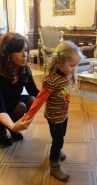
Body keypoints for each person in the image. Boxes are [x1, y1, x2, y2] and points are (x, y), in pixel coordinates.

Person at [25, 41, 83, 181]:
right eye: (72, 65)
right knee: (57, 140)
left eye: (75, 65)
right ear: (60, 62)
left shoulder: (65, 76)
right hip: (54, 117)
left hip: (63, 114)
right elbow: (38, 100)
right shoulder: (51, 81)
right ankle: (54, 166)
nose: (74, 69)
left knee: (61, 135)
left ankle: (57, 149)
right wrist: (28, 116)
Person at [0, 32, 40, 146]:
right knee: (21, 105)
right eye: (19, 51)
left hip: (12, 102)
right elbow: (0, 109)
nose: (24, 55)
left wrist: (53, 97)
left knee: (32, 99)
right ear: (7, 53)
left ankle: (13, 129)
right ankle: (2, 129)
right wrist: (13, 125)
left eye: (26, 50)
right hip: (1, 108)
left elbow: (35, 93)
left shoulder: (24, 70)